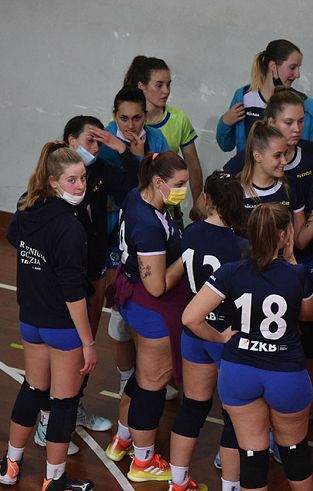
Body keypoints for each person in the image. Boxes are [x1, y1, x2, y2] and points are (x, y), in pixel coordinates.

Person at [182, 203, 313, 491]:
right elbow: (311, 314)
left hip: (239, 371)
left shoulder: (231, 272)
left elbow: (190, 318)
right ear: (284, 235)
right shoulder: (297, 274)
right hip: (286, 372)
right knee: (295, 452)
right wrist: (292, 260)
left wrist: (219, 337)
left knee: (252, 458)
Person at [224, 89, 313, 423]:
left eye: (301, 121)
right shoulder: (235, 186)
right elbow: (212, 221)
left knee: (303, 334)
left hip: (285, 275)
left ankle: (302, 399)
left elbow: (299, 239)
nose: (285, 161)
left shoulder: (289, 187)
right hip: (251, 280)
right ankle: (245, 418)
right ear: (258, 155)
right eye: (279, 156)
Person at [0, 141, 95, 490]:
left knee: (33, 388)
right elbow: (73, 291)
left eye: (83, 178)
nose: (80, 186)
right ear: (54, 181)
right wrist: (88, 342)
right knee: (64, 403)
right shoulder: (69, 227)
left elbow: (13, 237)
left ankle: (10, 465)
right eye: (72, 180)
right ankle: (54, 480)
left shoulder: (27, 209)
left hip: (31, 320)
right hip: (61, 326)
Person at [105, 151, 191, 483]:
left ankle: (122, 438)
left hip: (133, 299)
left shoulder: (136, 195)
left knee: (143, 375)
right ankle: (142, 462)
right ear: (158, 182)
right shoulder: (149, 226)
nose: (183, 190)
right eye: (179, 184)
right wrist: (186, 257)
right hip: (150, 307)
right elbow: (156, 286)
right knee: (153, 385)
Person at [168, 171, 247, 491]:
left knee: (193, 406)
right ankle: (231, 486)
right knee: (234, 416)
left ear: (206, 199)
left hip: (195, 334)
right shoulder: (241, 246)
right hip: (226, 335)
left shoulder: (190, 233)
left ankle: (177, 481)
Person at [98, 86, 173, 406]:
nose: (130, 125)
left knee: (149, 307)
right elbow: (120, 190)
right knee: (120, 311)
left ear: (147, 116)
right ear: (114, 116)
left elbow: (154, 188)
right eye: (123, 118)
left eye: (137, 118)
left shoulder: (157, 140)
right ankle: (126, 376)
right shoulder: (104, 143)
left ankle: (147, 373)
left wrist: (136, 158)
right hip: (114, 237)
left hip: (149, 236)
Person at [216, 39, 313, 154]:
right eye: (292, 67)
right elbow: (226, 145)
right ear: (273, 66)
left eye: (298, 68)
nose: (297, 74)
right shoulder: (243, 97)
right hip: (248, 166)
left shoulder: (307, 108)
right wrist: (225, 123)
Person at [124, 55, 204, 203]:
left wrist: (198, 204)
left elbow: (193, 166)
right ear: (141, 85)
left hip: (168, 205)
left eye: (168, 84)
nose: (166, 91)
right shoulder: (124, 122)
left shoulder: (179, 118)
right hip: (133, 202)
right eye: (159, 85)